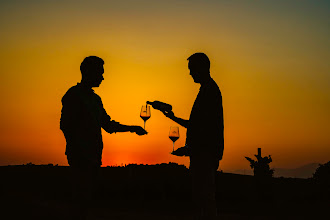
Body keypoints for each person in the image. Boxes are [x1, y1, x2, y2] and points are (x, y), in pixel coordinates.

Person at [60, 56, 147, 219]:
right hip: (80, 157)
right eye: (100, 73)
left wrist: (131, 129)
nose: (102, 77)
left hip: (94, 157)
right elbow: (65, 126)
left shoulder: (95, 99)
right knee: (80, 201)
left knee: (87, 201)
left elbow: (107, 125)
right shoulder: (73, 95)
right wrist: (77, 149)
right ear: (88, 72)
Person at [156, 53, 224, 220]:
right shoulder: (207, 89)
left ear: (202, 68)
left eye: (192, 69)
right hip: (202, 152)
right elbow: (196, 124)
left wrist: (189, 148)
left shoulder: (210, 91)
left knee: (204, 197)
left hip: (204, 153)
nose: (190, 73)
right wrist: (170, 116)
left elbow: (205, 128)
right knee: (202, 197)